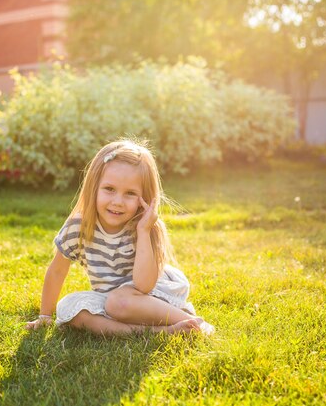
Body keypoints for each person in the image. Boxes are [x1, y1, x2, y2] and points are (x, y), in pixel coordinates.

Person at [25, 139, 214, 335]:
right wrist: (45, 316)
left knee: (118, 302)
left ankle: (194, 324)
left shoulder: (145, 227)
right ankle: (155, 332)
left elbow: (144, 285)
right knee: (70, 309)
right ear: (94, 187)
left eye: (130, 193)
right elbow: (57, 271)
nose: (118, 202)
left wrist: (143, 231)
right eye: (109, 189)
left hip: (148, 295)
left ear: (145, 199)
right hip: (109, 299)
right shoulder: (79, 226)